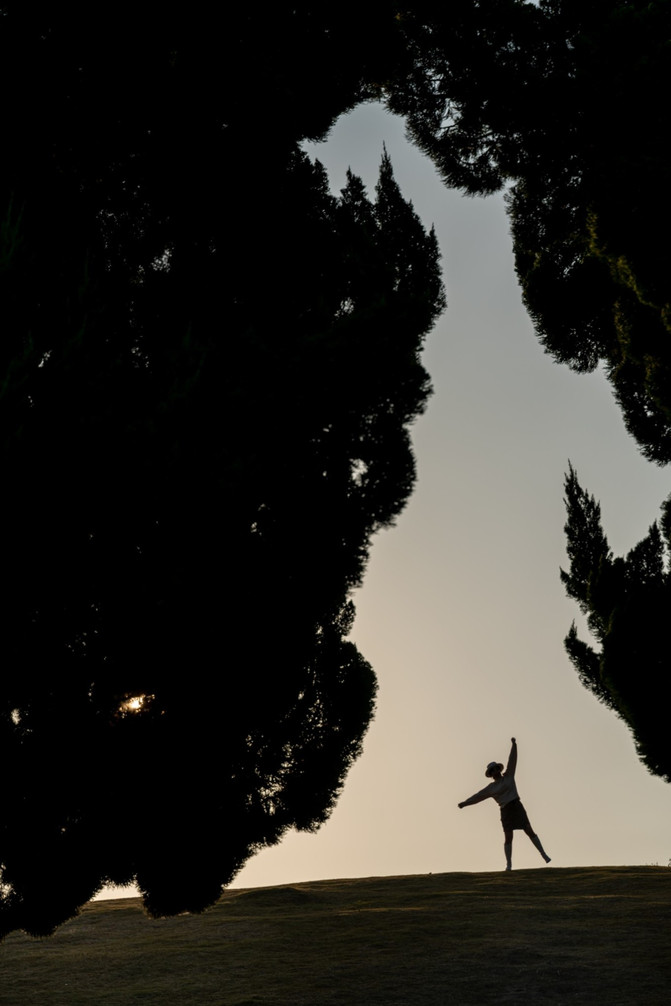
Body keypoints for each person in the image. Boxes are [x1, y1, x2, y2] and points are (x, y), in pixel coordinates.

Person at [457, 737, 551, 871]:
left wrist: (514, 745)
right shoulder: (491, 788)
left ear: (499, 769)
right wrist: (465, 803)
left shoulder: (509, 776)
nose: (495, 771)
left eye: (496, 769)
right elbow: (478, 797)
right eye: (492, 771)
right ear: (490, 774)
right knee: (508, 837)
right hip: (505, 810)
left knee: (529, 830)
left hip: (516, 805)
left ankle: (543, 854)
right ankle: (509, 864)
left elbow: (512, 760)